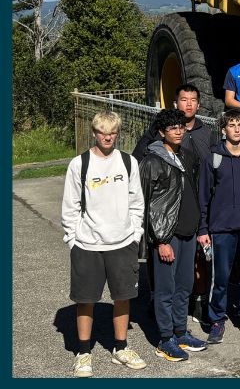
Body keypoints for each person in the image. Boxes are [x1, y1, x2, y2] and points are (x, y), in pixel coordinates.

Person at [61, 111, 148, 376]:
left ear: (117, 133)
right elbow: (70, 206)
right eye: (102, 132)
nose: (107, 136)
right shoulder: (80, 164)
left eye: (112, 132)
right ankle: (83, 352)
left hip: (122, 243)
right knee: (85, 299)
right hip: (88, 245)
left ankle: (120, 348)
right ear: (94, 133)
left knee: (123, 297)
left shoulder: (128, 162)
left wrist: (134, 233)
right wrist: (74, 239)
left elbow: (137, 202)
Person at [140, 108, 207, 360]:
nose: (178, 131)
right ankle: (165, 339)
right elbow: (146, 205)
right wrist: (161, 240)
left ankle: (181, 332)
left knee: (184, 286)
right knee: (165, 290)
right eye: (172, 128)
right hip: (167, 237)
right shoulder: (151, 161)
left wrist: (200, 228)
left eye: (181, 126)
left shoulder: (188, 156)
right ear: (161, 133)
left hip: (189, 233)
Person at [197, 110, 240, 343]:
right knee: (221, 277)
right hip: (222, 229)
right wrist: (203, 230)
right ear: (223, 130)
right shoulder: (213, 158)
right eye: (231, 125)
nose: (236, 129)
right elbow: (203, 197)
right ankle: (216, 319)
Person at [135, 84, 212, 168]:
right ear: (175, 104)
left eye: (193, 100)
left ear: (198, 105)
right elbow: (139, 156)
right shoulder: (161, 128)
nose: (189, 104)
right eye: (184, 100)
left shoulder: (207, 132)